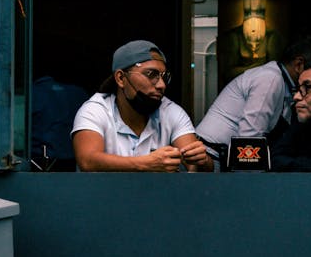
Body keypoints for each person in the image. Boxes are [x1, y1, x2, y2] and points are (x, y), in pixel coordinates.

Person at [72, 40, 213, 172]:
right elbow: (87, 161)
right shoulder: (95, 110)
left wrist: (202, 160)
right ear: (121, 78)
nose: (161, 85)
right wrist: (146, 163)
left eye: (164, 77)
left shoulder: (171, 111)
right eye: (151, 74)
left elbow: (198, 168)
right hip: (102, 196)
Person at [195, 36, 311, 170]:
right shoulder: (271, 79)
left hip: (221, 156)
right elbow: (250, 139)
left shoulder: (285, 85)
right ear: (299, 64)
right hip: (209, 157)